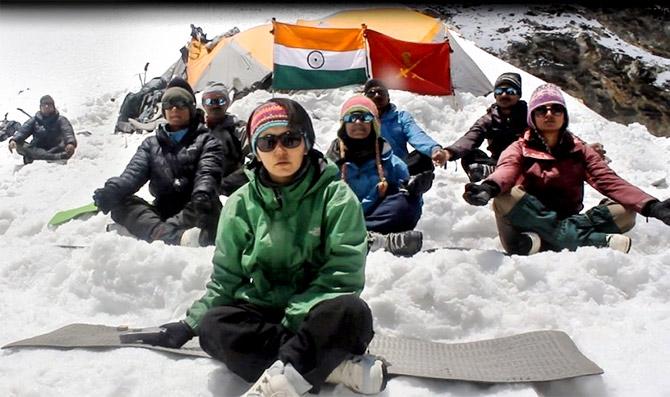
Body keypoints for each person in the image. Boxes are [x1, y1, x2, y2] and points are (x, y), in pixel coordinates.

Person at [122, 98, 387, 397]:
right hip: (266, 315)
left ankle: (282, 381)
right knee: (214, 327)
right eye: (267, 141)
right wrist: (189, 324)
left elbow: (343, 277)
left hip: (317, 314)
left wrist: (294, 319)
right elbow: (226, 279)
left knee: (352, 311)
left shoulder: (336, 198)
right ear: (256, 151)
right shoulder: (240, 204)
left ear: (306, 142)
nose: (280, 150)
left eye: (290, 138)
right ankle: (329, 365)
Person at [462, 83, 670, 255]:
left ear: (564, 116)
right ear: (532, 117)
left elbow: (609, 181)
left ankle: (547, 242)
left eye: (556, 109)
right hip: (523, 226)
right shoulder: (519, 148)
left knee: (625, 211)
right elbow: (506, 171)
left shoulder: (580, 150)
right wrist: (489, 188)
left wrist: (652, 206)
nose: (549, 114)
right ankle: (590, 241)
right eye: (542, 110)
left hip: (551, 229)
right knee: (506, 196)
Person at [92, 79, 223, 247]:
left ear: (191, 108)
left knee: (208, 203)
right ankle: (175, 237)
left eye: (181, 103)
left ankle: (156, 233)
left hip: (197, 208)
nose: (174, 109)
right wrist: (112, 191)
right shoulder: (151, 144)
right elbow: (132, 175)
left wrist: (202, 195)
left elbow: (208, 174)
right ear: (164, 110)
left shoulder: (208, 141)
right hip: (163, 211)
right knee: (120, 202)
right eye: (169, 104)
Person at [444, 72, 608, 182]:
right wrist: (449, 152)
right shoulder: (488, 119)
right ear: (494, 95)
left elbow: (559, 133)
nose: (504, 95)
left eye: (510, 90)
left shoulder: (532, 115)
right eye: (500, 90)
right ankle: (496, 171)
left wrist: (586, 148)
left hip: (531, 160)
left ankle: (498, 173)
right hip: (500, 160)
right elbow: (470, 138)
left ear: (519, 94)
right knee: (470, 155)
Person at [326, 95, 424, 257]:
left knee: (406, 202)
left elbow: (408, 201)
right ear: (344, 124)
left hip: (374, 217)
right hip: (341, 218)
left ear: (374, 124)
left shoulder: (392, 162)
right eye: (352, 118)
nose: (358, 123)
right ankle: (379, 242)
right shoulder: (329, 163)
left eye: (365, 117)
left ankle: (358, 239)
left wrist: (416, 189)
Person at [363, 78, 447, 179]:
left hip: (400, 169)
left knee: (423, 158)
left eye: (381, 92)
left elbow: (416, 135)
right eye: (372, 93)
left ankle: (402, 187)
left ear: (388, 97)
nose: (377, 96)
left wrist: (434, 149)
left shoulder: (401, 117)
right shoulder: (359, 120)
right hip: (370, 172)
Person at [200, 82, 249, 195]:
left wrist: (227, 184)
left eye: (220, 101)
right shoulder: (196, 130)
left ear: (227, 103)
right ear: (203, 104)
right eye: (210, 101)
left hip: (231, 191)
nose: (215, 105)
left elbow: (257, 160)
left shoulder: (239, 129)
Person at [8, 95, 76, 164]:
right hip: (37, 149)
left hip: (55, 148)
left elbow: (68, 132)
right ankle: (53, 157)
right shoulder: (34, 120)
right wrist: (14, 140)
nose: (46, 107)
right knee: (19, 145)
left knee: (64, 147)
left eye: (49, 104)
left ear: (53, 107)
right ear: (40, 107)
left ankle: (41, 157)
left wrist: (70, 143)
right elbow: (23, 131)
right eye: (44, 105)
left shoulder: (61, 119)